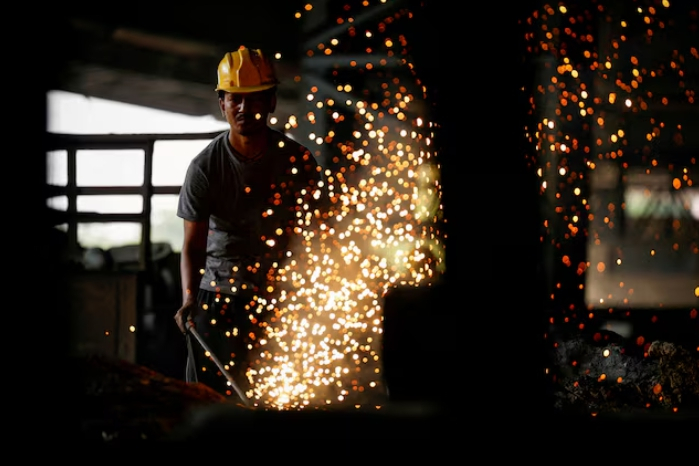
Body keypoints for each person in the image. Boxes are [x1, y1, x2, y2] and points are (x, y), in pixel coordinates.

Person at [174, 46, 323, 401]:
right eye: (235, 99)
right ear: (222, 103)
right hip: (219, 300)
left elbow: (317, 238)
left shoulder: (297, 162)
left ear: (271, 102)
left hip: (281, 300)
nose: (245, 108)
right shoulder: (205, 168)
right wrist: (190, 299)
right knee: (207, 400)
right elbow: (193, 245)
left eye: (255, 99)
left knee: (282, 399)